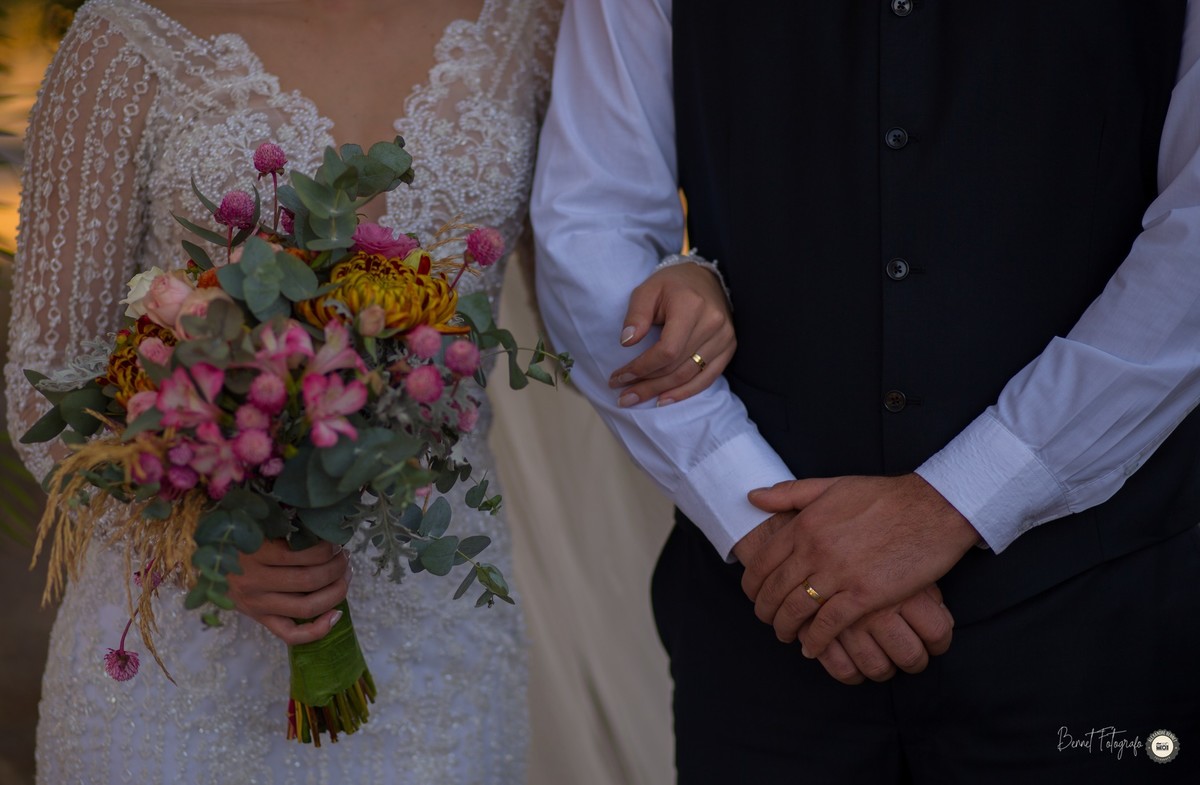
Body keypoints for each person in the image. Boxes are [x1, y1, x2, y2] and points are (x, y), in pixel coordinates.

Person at [3, 0, 732, 781]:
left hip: (434, 639)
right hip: (181, 658)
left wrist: (686, 278)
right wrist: (196, 545)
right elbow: (45, 386)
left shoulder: (532, 24)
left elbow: (586, 285)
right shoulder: (124, 40)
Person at [532, 0, 1200, 782]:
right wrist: (762, 523)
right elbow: (590, 221)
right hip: (761, 633)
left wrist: (957, 500)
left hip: (1096, 610)